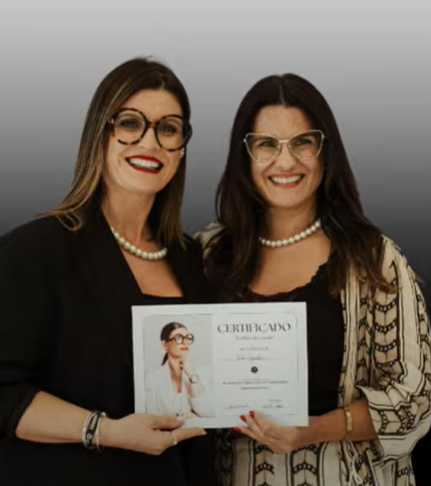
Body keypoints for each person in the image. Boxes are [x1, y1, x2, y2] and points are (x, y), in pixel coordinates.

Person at [196, 73, 431, 486]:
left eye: (303, 142)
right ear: (244, 155)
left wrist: (314, 430)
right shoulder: (207, 253)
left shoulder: (373, 259)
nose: (286, 162)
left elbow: (415, 400)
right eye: (267, 144)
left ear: (326, 152)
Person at [0, 57, 216, 486]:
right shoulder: (34, 252)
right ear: (100, 133)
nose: (150, 142)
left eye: (169, 128)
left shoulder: (193, 258)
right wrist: (107, 431)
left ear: (181, 148)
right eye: (131, 123)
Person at [145, 322, 214, 418]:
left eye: (188, 338)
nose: (185, 342)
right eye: (178, 338)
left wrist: (192, 375)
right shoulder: (151, 379)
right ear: (165, 344)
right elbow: (152, 417)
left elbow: (209, 413)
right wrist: (190, 416)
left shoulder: (203, 373)